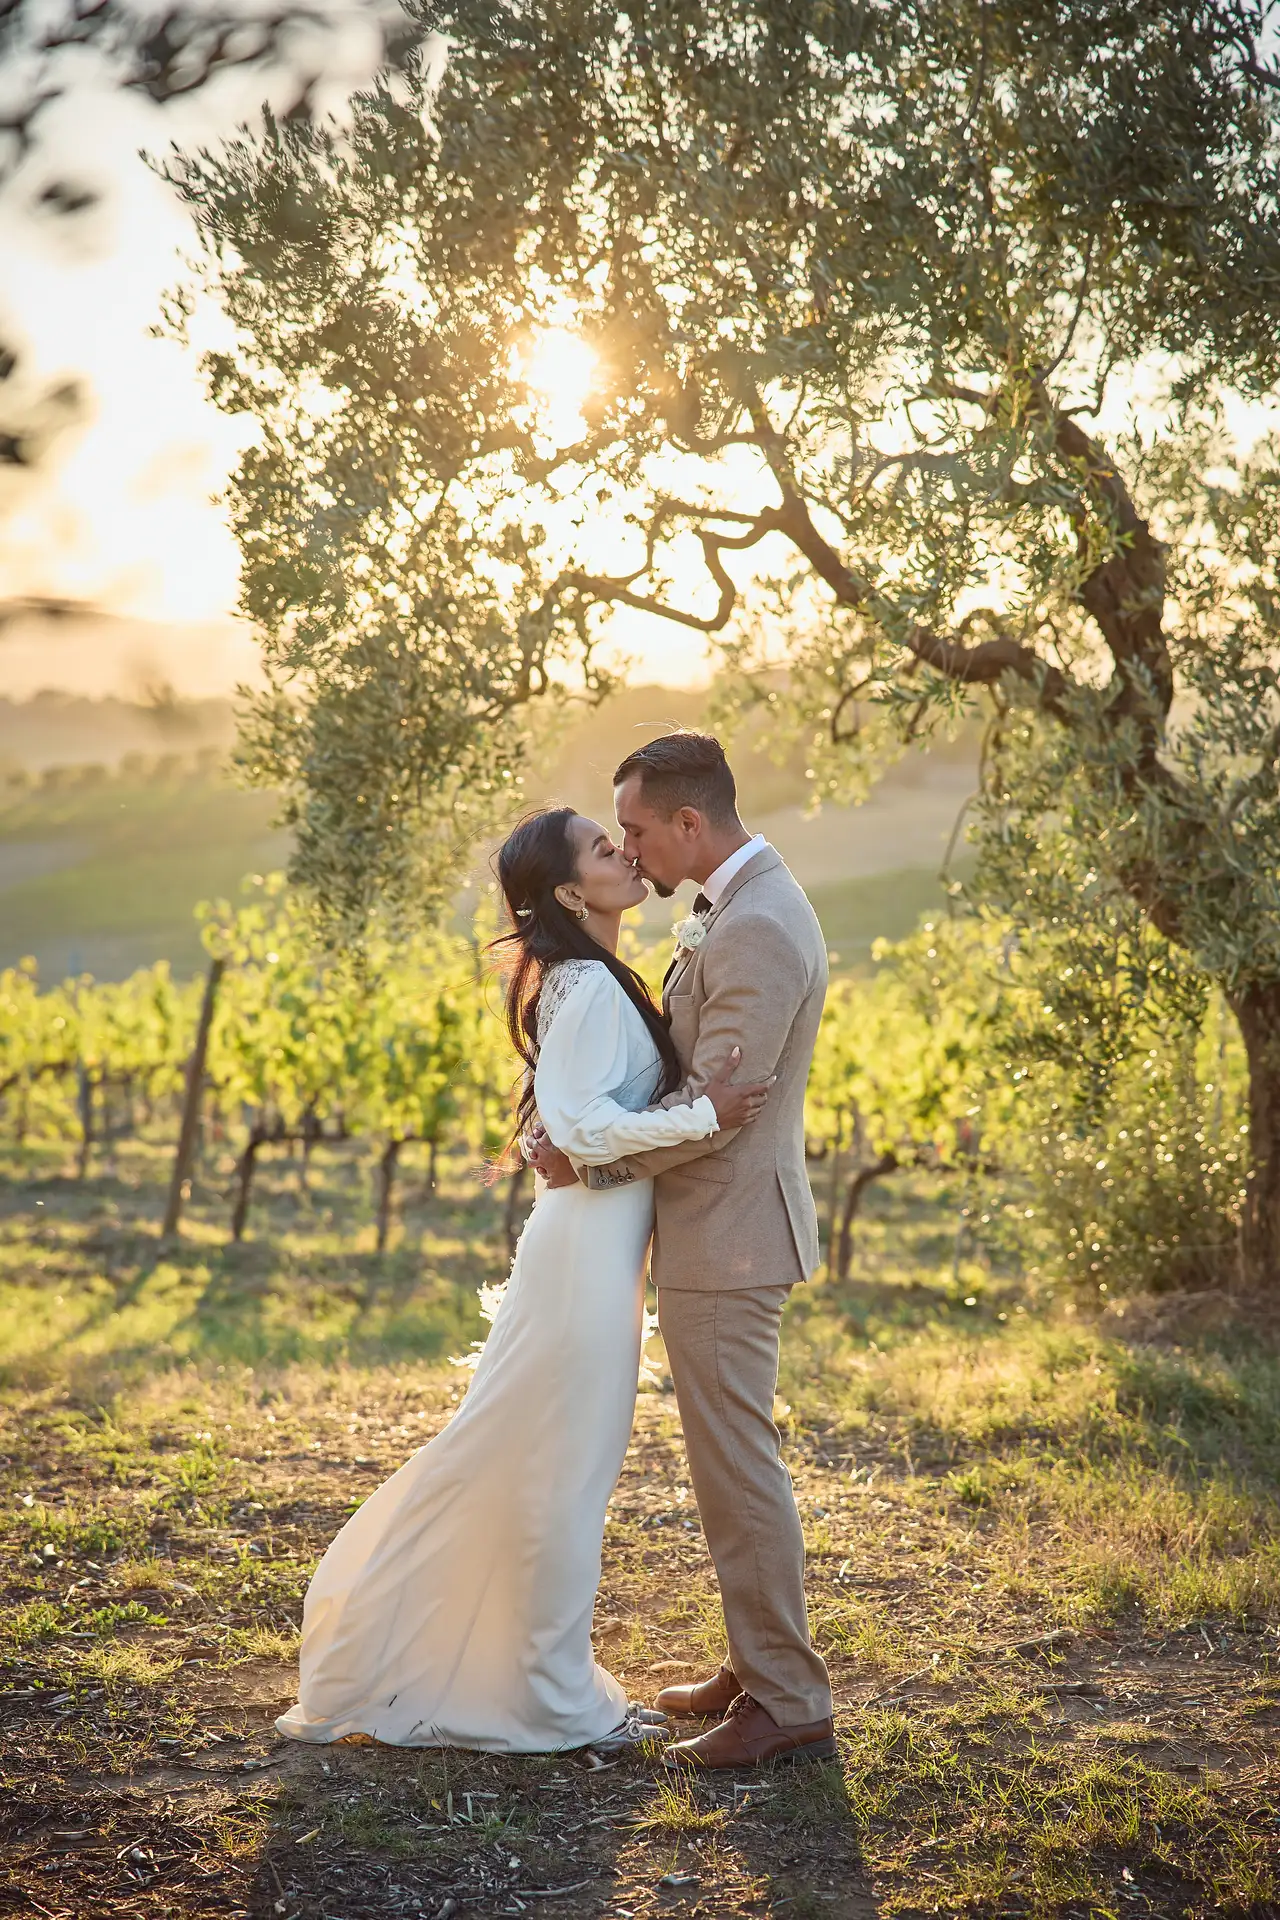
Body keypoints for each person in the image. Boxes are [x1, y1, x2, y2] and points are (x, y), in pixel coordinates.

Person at [275, 805, 770, 1755]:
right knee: (561, 1477)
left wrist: (669, 1116)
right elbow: (582, 1131)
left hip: (595, 1254)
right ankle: (546, 1697)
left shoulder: (599, 978)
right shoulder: (584, 985)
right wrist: (702, 1115)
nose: (624, 851)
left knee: (545, 1467)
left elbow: (575, 1123)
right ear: (569, 892)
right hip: (582, 1263)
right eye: (601, 845)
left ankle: (518, 1670)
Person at [529, 733, 836, 1770]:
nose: (629, 848)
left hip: (730, 1237)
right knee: (726, 1471)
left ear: (689, 825)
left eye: (637, 829)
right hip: (719, 1232)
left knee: (738, 1472)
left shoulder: (752, 927)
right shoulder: (739, 905)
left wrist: (585, 1159)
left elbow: (717, 1111)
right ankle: (758, 1665)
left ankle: (786, 1698)